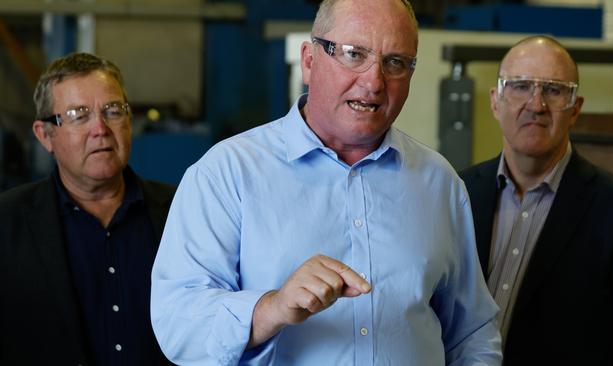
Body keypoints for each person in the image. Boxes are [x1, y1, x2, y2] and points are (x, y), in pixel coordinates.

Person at [151, 0, 502, 364]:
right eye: (353, 54)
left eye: (395, 62)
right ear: (309, 60)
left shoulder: (438, 182)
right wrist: (273, 308)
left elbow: (472, 332)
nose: (373, 81)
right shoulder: (227, 174)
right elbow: (178, 322)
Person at [460, 35, 613, 365]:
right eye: (520, 86)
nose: (536, 104)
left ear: (575, 109)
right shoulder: (458, 191)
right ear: (495, 101)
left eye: (554, 89)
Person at [0, 52, 175, 365]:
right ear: (45, 135)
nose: (100, 128)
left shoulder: (181, 210)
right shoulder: (7, 222)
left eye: (113, 110)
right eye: (79, 115)